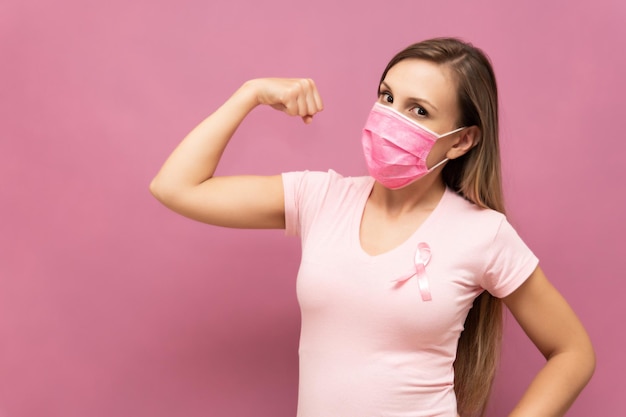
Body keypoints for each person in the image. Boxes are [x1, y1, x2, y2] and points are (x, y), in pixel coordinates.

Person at [150, 38, 595, 417]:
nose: (391, 119)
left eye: (418, 110)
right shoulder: (321, 198)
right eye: (387, 97)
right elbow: (176, 187)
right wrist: (249, 94)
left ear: (462, 140)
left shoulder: (483, 234)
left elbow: (573, 353)